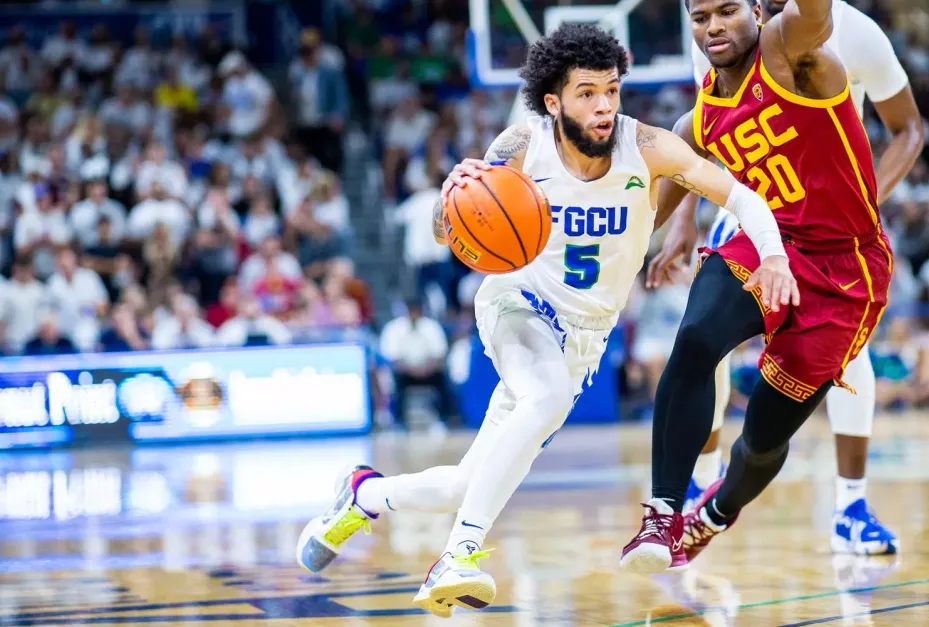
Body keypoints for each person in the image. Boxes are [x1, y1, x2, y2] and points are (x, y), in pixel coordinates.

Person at [294, 23, 794, 617]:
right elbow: (445, 228)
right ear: (553, 101)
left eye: (611, 89)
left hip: (584, 340)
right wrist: (451, 194)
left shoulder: (650, 147)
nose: (604, 105)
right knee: (544, 396)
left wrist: (774, 255)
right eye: (586, 93)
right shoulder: (521, 146)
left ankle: (363, 494)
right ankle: (458, 555)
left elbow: (739, 196)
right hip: (517, 305)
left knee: (466, 482)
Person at [621, 0, 893, 573]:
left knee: (765, 436)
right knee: (694, 339)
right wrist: (677, 224)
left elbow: (813, 11)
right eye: (701, 18)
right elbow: (663, 173)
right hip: (767, 238)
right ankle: (663, 512)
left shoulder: (790, 51)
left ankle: (715, 511)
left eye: (728, 12)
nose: (714, 27)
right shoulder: (703, 110)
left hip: (845, 271)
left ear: (759, 11)